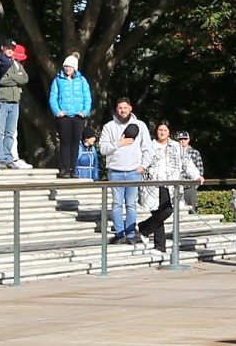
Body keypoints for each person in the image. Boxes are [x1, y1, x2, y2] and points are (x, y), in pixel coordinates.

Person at [97, 98, 147, 243]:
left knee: (131, 204)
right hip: (115, 171)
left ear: (130, 108)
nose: (123, 110)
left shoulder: (140, 125)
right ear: (116, 109)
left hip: (133, 172)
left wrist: (143, 166)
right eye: (120, 108)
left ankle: (130, 235)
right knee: (117, 203)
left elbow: (147, 148)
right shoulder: (109, 127)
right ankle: (119, 233)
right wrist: (119, 143)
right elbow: (103, 149)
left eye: (125, 107)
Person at [138, 121, 187, 255]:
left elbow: (186, 162)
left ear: (169, 132)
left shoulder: (176, 146)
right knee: (157, 213)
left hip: (170, 184)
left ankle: (144, 228)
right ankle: (159, 246)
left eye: (165, 130)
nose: (162, 133)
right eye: (160, 130)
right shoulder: (150, 146)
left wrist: (197, 176)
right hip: (154, 184)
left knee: (167, 211)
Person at [50, 54, 93, 178]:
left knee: (75, 142)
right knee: (65, 142)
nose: (68, 69)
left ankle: (73, 169)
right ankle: (66, 169)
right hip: (63, 116)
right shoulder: (58, 80)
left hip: (78, 116)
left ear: (75, 68)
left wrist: (85, 111)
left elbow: (87, 97)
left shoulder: (82, 80)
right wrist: (57, 111)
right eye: (66, 66)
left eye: (70, 67)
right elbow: (53, 97)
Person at [0, 40, 29, 168]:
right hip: (2, 100)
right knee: (0, 131)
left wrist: (12, 77)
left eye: (12, 49)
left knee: (10, 132)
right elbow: (1, 79)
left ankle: (8, 157)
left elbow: (25, 79)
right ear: (2, 48)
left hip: (15, 101)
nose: (10, 51)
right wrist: (16, 78)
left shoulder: (16, 64)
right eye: (8, 48)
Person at [176, 131, 204, 208]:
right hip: (177, 185)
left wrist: (195, 186)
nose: (183, 140)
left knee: (191, 208)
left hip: (189, 186)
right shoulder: (174, 153)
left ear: (188, 140)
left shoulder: (195, 153)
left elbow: (200, 169)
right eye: (181, 139)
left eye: (185, 138)